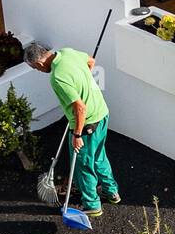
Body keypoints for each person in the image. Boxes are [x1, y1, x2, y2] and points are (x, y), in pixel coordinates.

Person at [27, 42, 119, 218]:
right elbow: (91, 62)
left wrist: (77, 134)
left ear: (39, 63)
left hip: (87, 124)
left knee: (83, 164)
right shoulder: (67, 52)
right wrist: (83, 82)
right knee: (99, 156)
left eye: (35, 68)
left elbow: (80, 108)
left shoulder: (57, 77)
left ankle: (92, 205)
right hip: (102, 112)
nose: (38, 71)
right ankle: (111, 192)